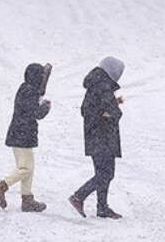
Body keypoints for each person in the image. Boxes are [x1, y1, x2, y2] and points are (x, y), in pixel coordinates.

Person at [0, 63, 52, 212]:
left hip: (21, 133)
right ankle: (0, 187)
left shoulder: (26, 88)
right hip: (22, 134)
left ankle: (27, 199)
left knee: (28, 168)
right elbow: (36, 113)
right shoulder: (30, 92)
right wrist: (45, 107)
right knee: (26, 169)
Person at [69, 56, 125, 220]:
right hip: (103, 136)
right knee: (106, 174)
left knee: (102, 172)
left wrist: (110, 106)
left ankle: (102, 207)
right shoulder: (103, 86)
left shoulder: (96, 84)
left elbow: (88, 109)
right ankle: (79, 196)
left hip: (95, 136)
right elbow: (113, 113)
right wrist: (110, 111)